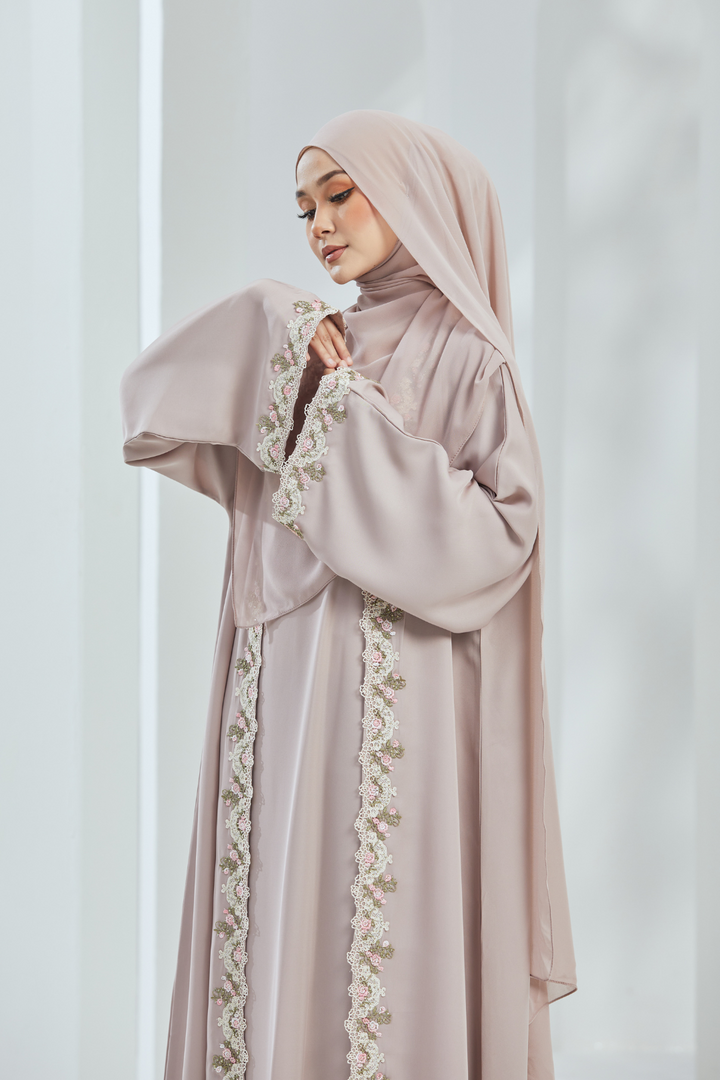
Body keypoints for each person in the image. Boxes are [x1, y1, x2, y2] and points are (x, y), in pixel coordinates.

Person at [121, 110, 576, 1080]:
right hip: (282, 698)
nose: (319, 225)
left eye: (339, 194)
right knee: (281, 921)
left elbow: (501, 536)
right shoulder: (304, 341)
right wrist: (272, 320)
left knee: (381, 937)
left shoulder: (471, 358)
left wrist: (343, 422)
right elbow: (149, 398)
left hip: (403, 709)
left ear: (413, 196)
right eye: (304, 208)